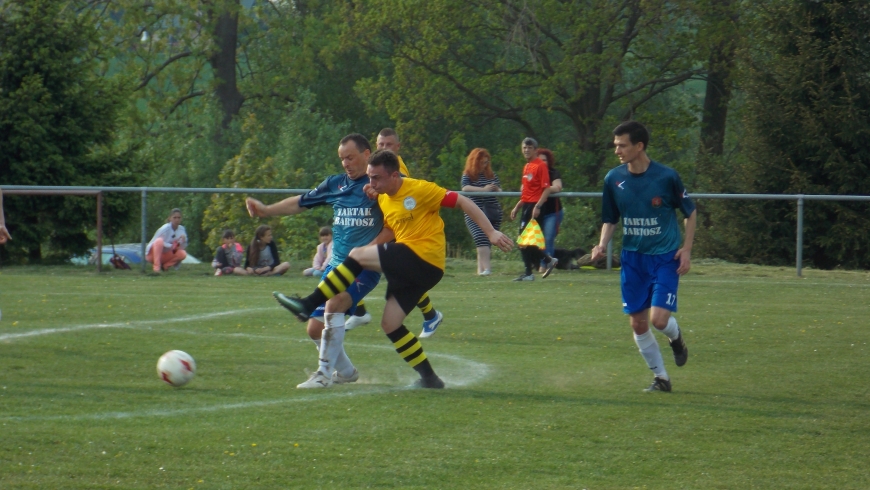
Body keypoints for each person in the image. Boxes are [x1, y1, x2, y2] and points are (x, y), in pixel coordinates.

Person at [274, 149, 514, 388]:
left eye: (376, 177)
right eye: (369, 177)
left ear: (395, 176)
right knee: (390, 324)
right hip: (413, 270)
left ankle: (308, 304)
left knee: (356, 255)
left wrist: (490, 232)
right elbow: (390, 230)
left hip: (424, 258)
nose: (371, 182)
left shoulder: (420, 189)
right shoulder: (383, 197)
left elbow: (462, 200)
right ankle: (430, 379)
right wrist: (365, 253)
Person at [246, 133, 385, 389]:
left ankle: (322, 374)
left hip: (365, 266)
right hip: (335, 266)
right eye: (342, 158)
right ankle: (346, 372)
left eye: (351, 157)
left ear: (367, 155)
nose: (346, 163)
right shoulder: (335, 185)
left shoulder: (380, 184)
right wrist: (266, 210)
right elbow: (299, 203)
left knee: (335, 303)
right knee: (313, 329)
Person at [590, 121, 696, 393]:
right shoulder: (613, 179)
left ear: (639, 146)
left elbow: (690, 213)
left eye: (622, 145)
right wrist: (601, 245)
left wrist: (686, 249)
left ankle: (676, 338)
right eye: (615, 146)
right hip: (633, 259)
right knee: (638, 323)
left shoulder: (666, 177)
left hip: (664, 257)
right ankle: (661, 379)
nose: (618, 151)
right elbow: (610, 219)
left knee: (658, 320)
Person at [345, 128, 444, 337]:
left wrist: (373, 190)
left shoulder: (397, 169)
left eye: (388, 145)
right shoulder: (376, 164)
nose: (384, 148)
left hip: (400, 228)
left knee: (364, 262)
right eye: (380, 144)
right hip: (386, 223)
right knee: (355, 258)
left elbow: (396, 193)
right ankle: (429, 315)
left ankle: (357, 309)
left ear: (398, 147)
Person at [509, 137, 558, 281]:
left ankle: (530, 272)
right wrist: (517, 206)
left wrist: (538, 206)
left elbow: (546, 189)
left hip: (535, 207)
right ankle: (546, 261)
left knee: (524, 240)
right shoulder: (527, 166)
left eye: (529, 148)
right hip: (527, 206)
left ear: (535, 150)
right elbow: (526, 193)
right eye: (524, 147)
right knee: (526, 241)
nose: (526, 150)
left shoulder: (540, 166)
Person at [460, 148, 503, 275]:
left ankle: (481, 271)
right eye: (482, 162)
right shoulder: (468, 174)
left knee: (487, 240)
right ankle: (487, 269)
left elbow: (500, 190)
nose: (484, 165)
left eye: (486, 162)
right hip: (474, 211)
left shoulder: (491, 174)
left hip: (492, 211)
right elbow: (465, 188)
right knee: (480, 237)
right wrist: (483, 189)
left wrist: (495, 189)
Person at [536, 148, 564, 273]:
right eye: (539, 160)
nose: (542, 162)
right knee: (536, 240)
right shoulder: (532, 172)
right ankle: (539, 263)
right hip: (537, 212)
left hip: (553, 212)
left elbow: (558, 187)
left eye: (544, 160)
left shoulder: (553, 172)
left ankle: (545, 265)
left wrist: (544, 188)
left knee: (548, 238)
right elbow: (523, 186)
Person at [145, 208, 187, 272]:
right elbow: (155, 242)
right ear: (170, 218)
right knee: (159, 241)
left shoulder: (182, 229)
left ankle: (166, 266)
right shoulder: (165, 228)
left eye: (179, 218)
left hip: (166, 255)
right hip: (153, 254)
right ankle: (156, 268)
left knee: (183, 254)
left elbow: (182, 247)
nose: (177, 220)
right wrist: (171, 246)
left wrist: (183, 240)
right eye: (174, 217)